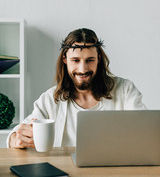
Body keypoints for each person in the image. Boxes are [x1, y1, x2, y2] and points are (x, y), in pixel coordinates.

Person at [7, 28, 146, 148]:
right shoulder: (50, 99)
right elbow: (20, 132)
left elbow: (145, 130)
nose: (83, 69)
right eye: (76, 60)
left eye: (90, 60)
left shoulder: (125, 90)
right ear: (65, 60)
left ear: (98, 59)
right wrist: (15, 139)